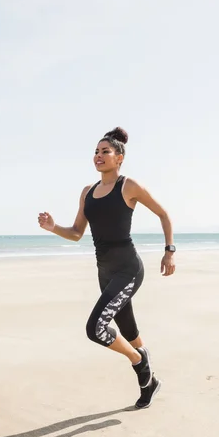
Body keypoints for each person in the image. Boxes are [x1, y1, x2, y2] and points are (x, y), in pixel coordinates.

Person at [38, 127, 175, 409]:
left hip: (128, 269)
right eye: (96, 152)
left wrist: (169, 251)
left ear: (119, 157)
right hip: (105, 271)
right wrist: (53, 228)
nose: (99, 156)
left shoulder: (129, 186)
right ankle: (150, 385)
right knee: (129, 331)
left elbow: (163, 214)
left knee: (96, 328)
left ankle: (140, 362)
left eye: (105, 151)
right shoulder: (87, 192)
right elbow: (77, 232)